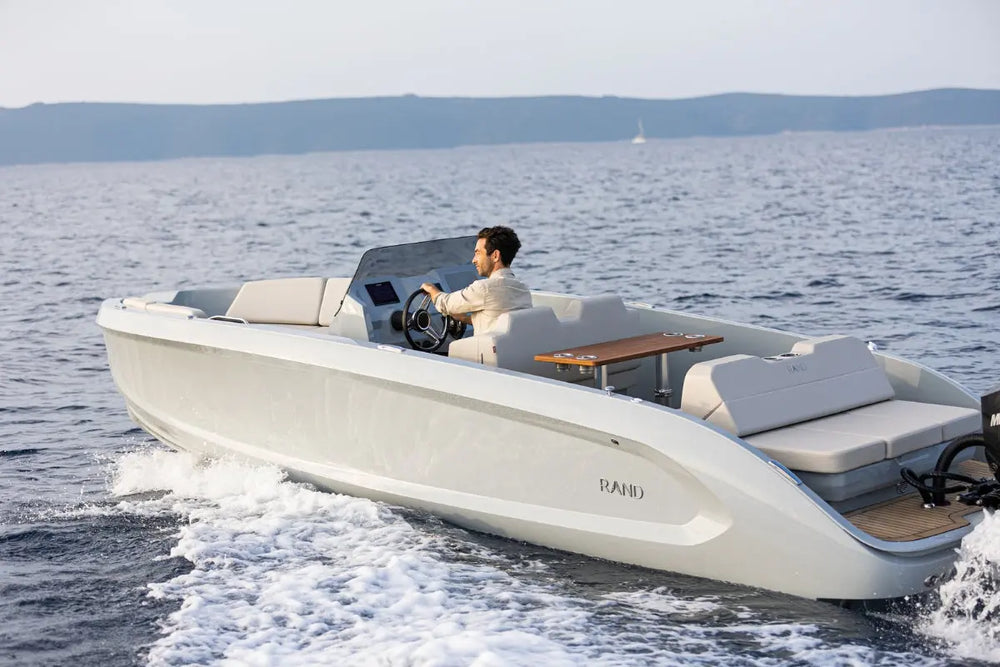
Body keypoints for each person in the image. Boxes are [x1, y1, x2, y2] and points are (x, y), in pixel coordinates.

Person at [420, 226, 532, 334]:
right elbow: (498, 322)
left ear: (495, 256)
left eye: (478, 253)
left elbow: (446, 304)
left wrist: (432, 290)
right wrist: (465, 319)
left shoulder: (485, 288)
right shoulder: (523, 289)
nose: (474, 260)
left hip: (487, 352)